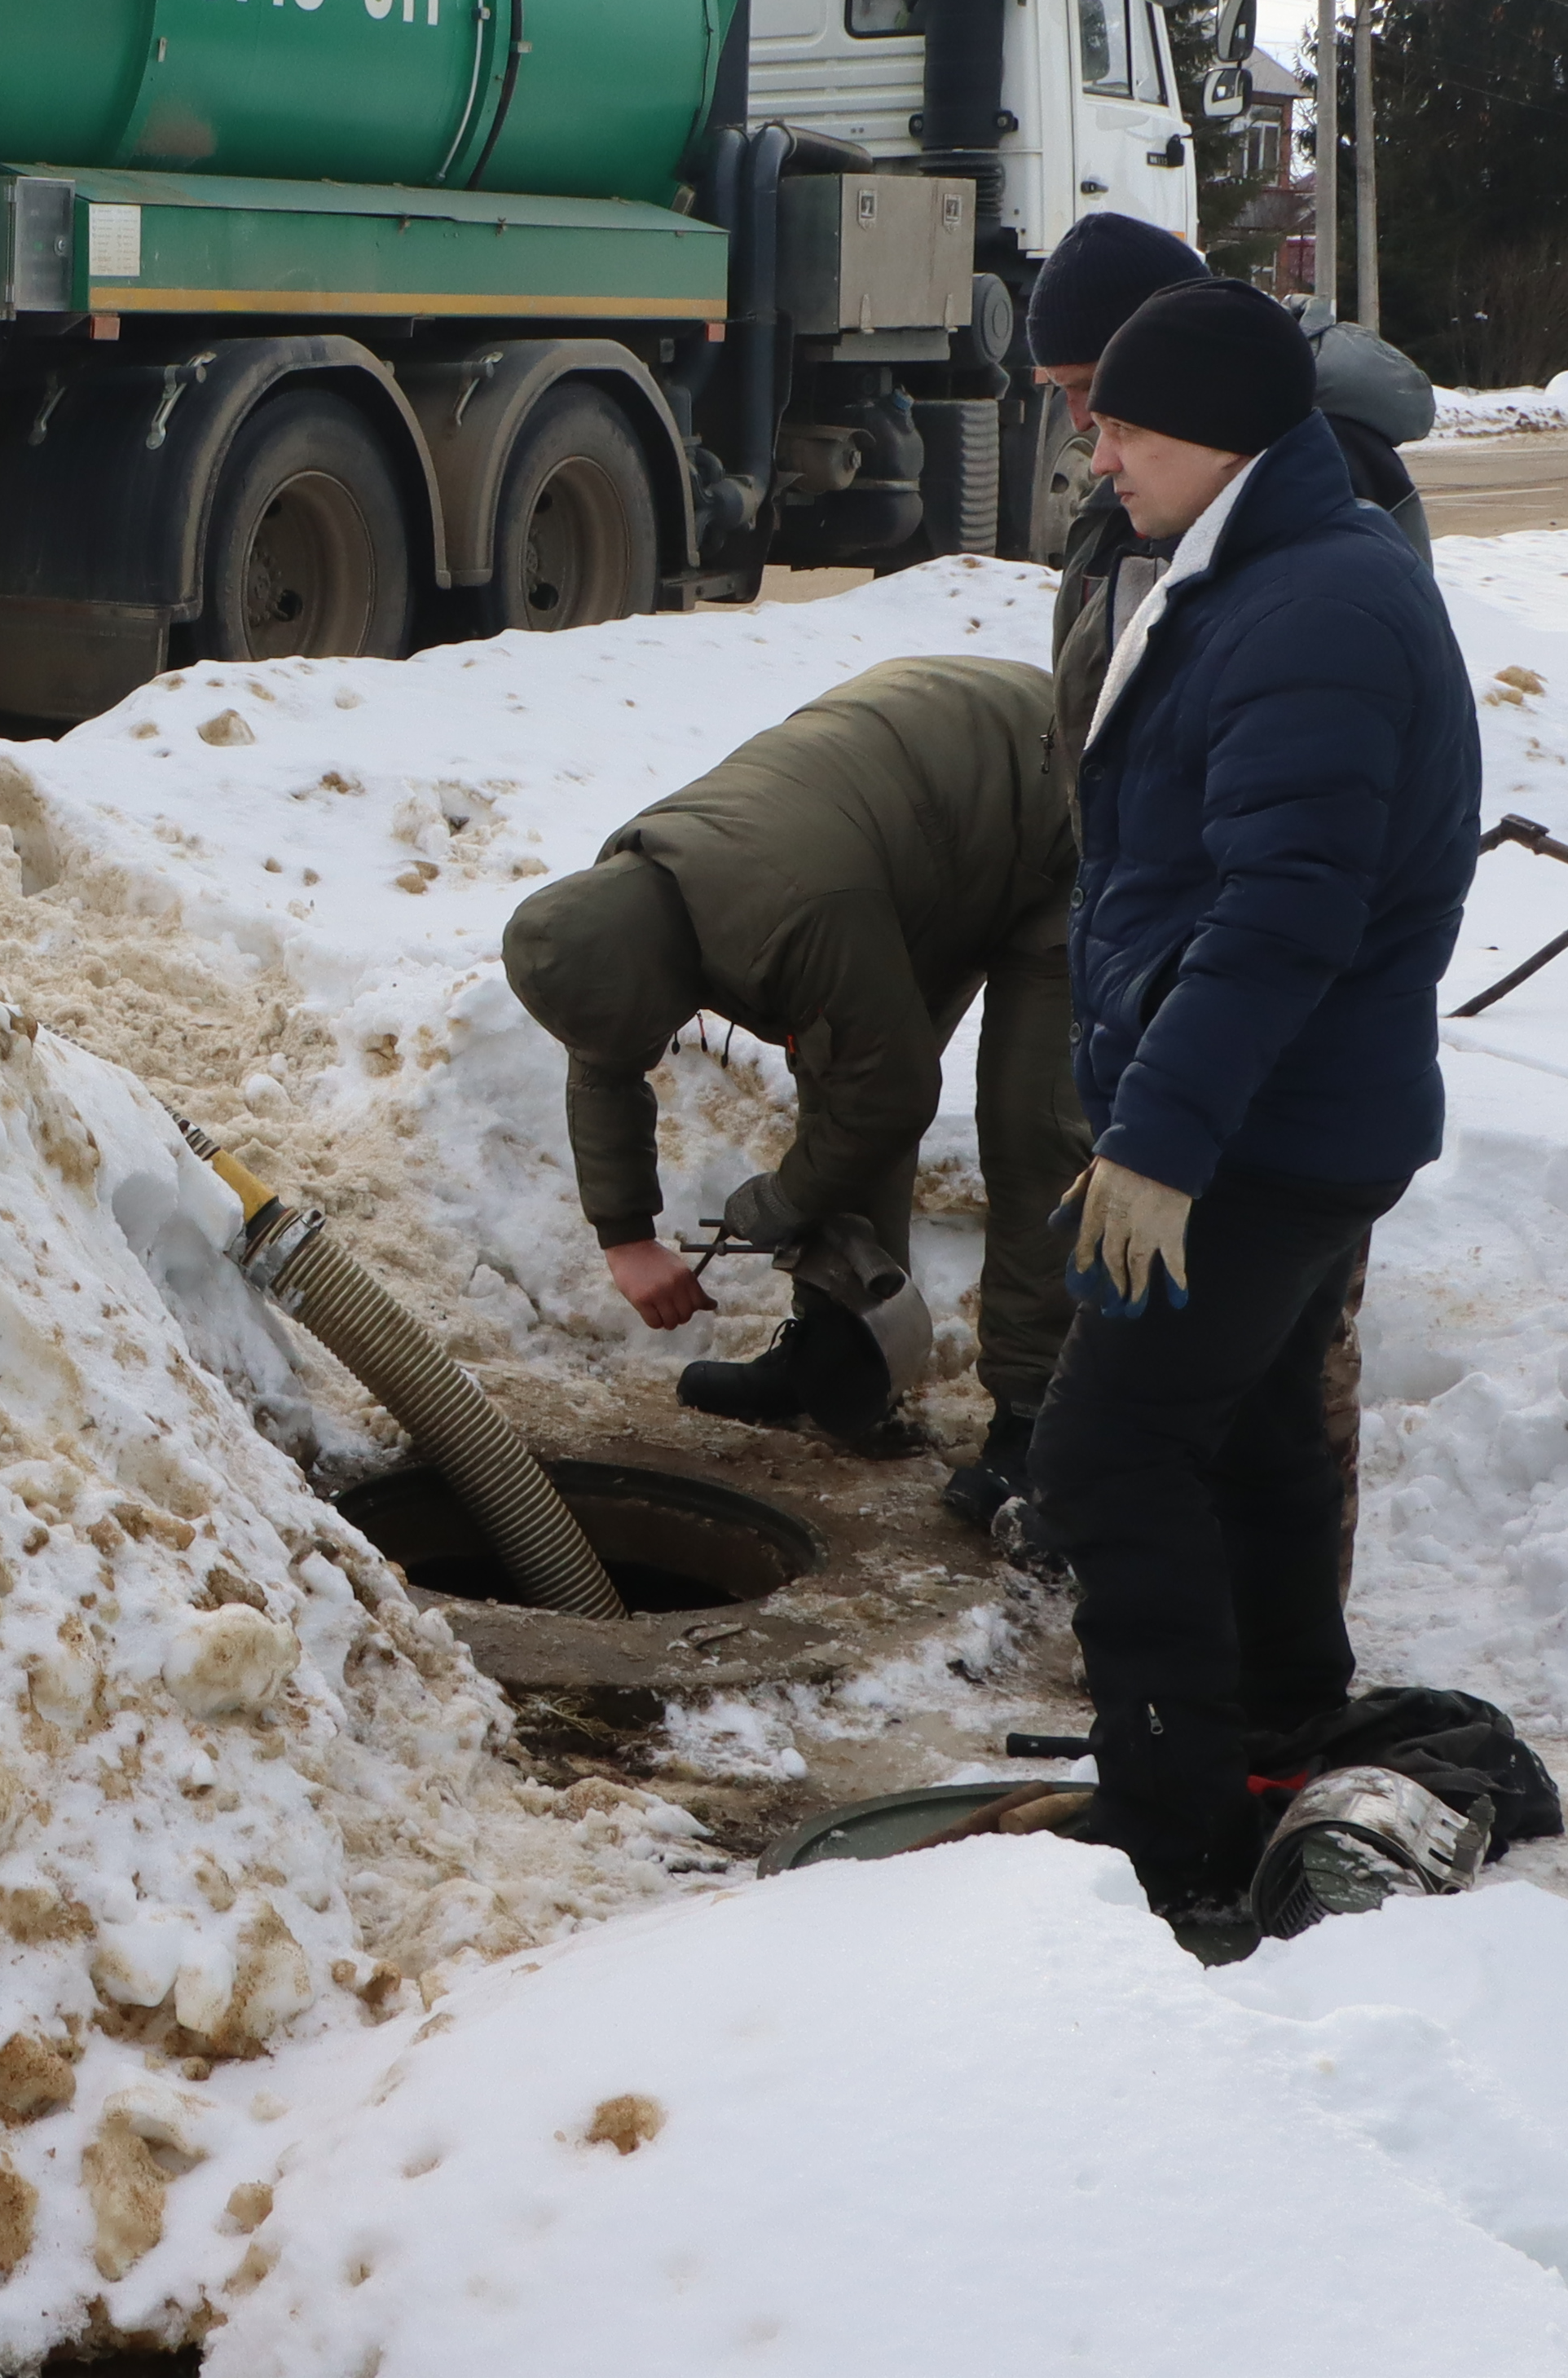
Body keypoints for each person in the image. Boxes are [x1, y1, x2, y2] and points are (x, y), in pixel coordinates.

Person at [1036, 276, 1479, 1916]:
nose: (1098, 458)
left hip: (1260, 1129)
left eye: (1124, 427)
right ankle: (1272, 1736)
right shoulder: (1260, 571)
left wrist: (1155, 1145)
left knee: (1106, 1451)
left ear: (1219, 436)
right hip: (1282, 1114)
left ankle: (1169, 1829)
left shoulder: (1313, 609)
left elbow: (1280, 910)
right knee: (1246, 1433)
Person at [1006, 212, 1447, 1554]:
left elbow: (1301, 863)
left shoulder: (1315, 551)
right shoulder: (1143, 507)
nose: (1088, 437)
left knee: (1272, 1403)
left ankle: (1238, 1693)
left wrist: (1177, 1111)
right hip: (1183, 1016)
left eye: (1098, 402)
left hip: (1270, 1062)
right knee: (1216, 1420)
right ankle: (1251, 1687)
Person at [497, 655, 1087, 1451]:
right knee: (844, 1080)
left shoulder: (796, 915)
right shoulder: (616, 909)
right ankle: (842, 1360)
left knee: (1031, 1120)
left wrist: (783, 1200)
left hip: (1055, 795)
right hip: (914, 826)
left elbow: (889, 1096)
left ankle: (1035, 1423)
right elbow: (603, 1047)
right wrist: (624, 1234)